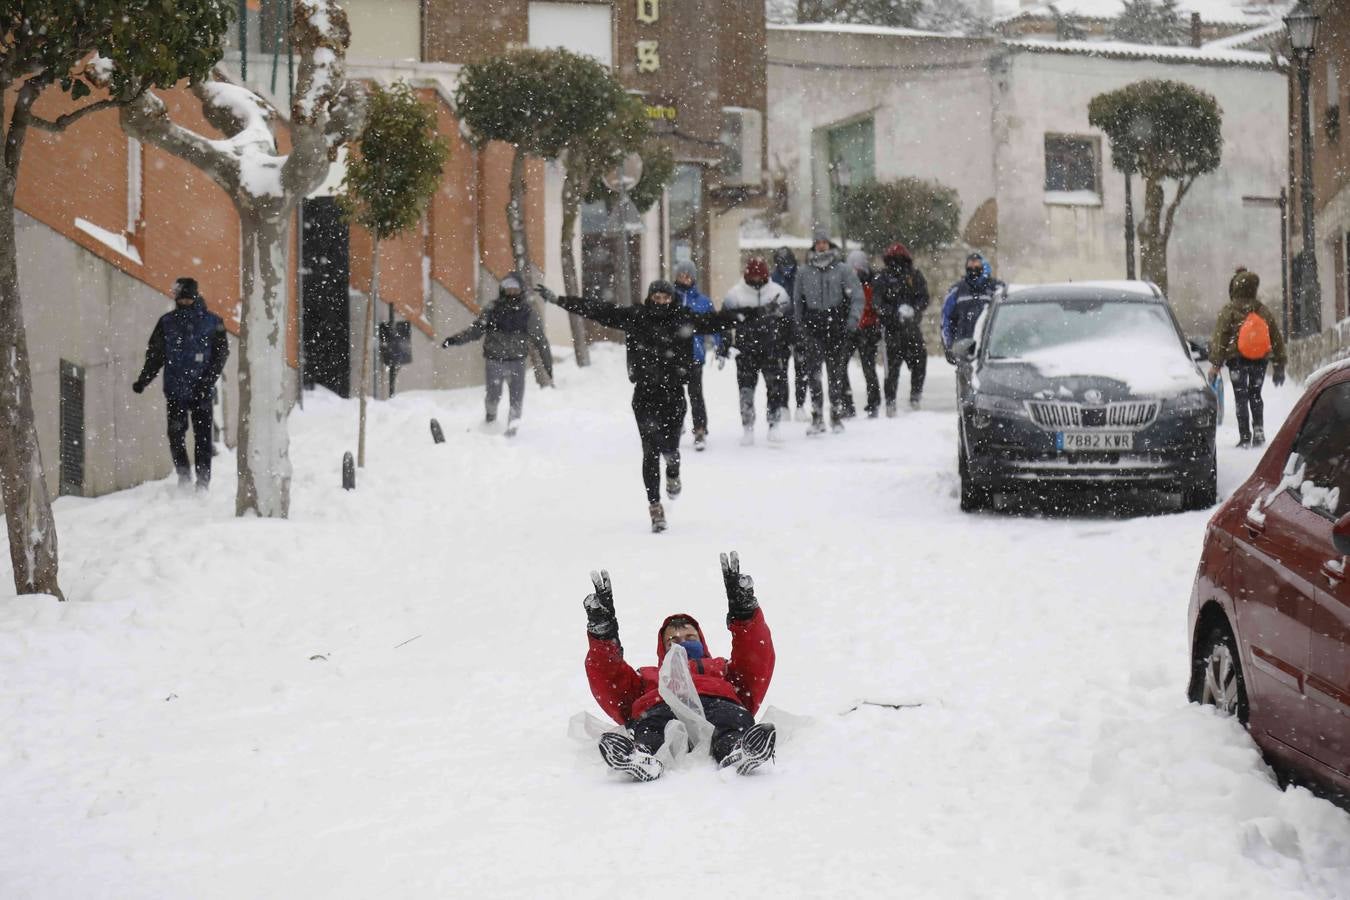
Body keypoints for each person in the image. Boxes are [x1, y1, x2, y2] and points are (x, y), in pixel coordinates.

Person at [537, 280, 757, 532]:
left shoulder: (683, 318)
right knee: (650, 451)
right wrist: (560, 300)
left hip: (674, 394)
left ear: (672, 299)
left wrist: (759, 312)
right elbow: (600, 311)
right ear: (650, 297)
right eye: (657, 297)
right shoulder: (637, 317)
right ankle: (655, 507)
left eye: (665, 297)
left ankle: (673, 468)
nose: (661, 301)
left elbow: (720, 320)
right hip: (644, 394)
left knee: (670, 449)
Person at [583, 551, 777, 781]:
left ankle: (737, 750)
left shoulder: (720, 669)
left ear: (702, 642)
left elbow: (756, 661)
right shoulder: (649, 676)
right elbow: (609, 680)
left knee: (730, 722)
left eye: (689, 636)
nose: (682, 643)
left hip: (717, 704)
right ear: (663, 649)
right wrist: (604, 635)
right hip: (662, 707)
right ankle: (642, 755)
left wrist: (745, 615)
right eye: (673, 640)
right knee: (651, 727)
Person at [132, 277, 229, 491]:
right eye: (181, 298)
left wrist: (208, 380)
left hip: (201, 390)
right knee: (175, 434)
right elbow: (155, 355)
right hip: (175, 390)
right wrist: (144, 380)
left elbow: (221, 354)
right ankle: (184, 476)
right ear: (176, 297)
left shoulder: (213, 322)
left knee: (203, 438)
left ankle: (203, 482)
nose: (184, 302)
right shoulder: (167, 322)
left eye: (188, 298)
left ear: (195, 296)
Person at [440, 271, 552, 437]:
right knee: (493, 396)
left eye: (515, 288)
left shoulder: (527, 312)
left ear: (521, 290)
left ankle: (512, 433)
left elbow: (540, 339)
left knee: (516, 399)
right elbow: (476, 331)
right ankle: (490, 420)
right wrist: (455, 340)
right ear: (502, 289)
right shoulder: (492, 309)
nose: (511, 292)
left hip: (517, 362)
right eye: (508, 288)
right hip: (494, 361)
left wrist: (547, 364)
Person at [792, 227, 865, 434]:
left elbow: (857, 296)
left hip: (836, 325)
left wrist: (852, 320)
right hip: (813, 326)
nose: (821, 245)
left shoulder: (842, 270)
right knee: (814, 374)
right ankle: (816, 417)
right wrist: (800, 325)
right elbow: (798, 301)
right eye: (818, 242)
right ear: (814, 245)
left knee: (836, 374)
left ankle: (836, 415)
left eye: (824, 242)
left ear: (829, 244)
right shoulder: (804, 272)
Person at [1207, 268, 1287, 448]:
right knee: (1256, 394)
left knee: (1241, 397)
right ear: (1253, 288)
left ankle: (1244, 436)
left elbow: (1221, 339)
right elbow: (1275, 337)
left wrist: (1216, 365)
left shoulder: (1229, 310)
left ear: (1234, 288)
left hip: (1237, 361)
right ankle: (1258, 430)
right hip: (1259, 360)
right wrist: (1279, 364)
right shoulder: (1262, 310)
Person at [719, 257, 792, 444]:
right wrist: (725, 345)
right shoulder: (735, 294)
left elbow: (789, 322)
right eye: (754, 276)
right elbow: (724, 322)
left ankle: (774, 425)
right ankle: (748, 427)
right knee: (746, 390)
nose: (757, 280)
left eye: (761, 276)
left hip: (772, 349)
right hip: (746, 350)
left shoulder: (778, 293)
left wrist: (788, 344)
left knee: (775, 389)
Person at [872, 242, 931, 414]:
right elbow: (878, 303)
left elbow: (923, 297)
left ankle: (915, 396)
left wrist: (914, 309)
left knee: (920, 362)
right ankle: (890, 401)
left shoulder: (914, 275)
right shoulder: (882, 278)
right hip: (892, 330)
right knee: (891, 369)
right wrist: (894, 313)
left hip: (912, 329)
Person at [672, 260, 721, 451]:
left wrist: (719, 346)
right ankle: (674, 426)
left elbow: (715, 325)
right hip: (673, 355)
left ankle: (700, 429)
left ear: (693, 278)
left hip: (695, 354)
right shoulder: (669, 299)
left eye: (688, 275)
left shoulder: (703, 302)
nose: (684, 278)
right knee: (673, 394)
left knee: (695, 394)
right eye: (681, 275)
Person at [941, 252, 1005, 359]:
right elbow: (946, 319)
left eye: (976, 264)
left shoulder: (997, 288)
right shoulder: (957, 290)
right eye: (970, 264)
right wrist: (949, 345)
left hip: (991, 348)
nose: (973, 267)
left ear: (983, 266)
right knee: (965, 373)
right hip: (964, 347)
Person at [844, 249, 884, 418]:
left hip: (868, 330)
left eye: (858, 269)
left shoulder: (872, 284)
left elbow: (876, 306)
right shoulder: (845, 286)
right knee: (840, 366)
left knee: (869, 368)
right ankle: (846, 403)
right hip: (851, 330)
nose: (856, 272)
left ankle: (873, 403)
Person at [771, 246, 808, 422]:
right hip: (780, 326)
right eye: (782, 263)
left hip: (799, 324)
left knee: (801, 367)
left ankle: (800, 405)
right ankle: (783, 405)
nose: (786, 266)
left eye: (788, 263)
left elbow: (807, 299)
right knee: (781, 368)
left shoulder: (801, 276)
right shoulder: (772, 280)